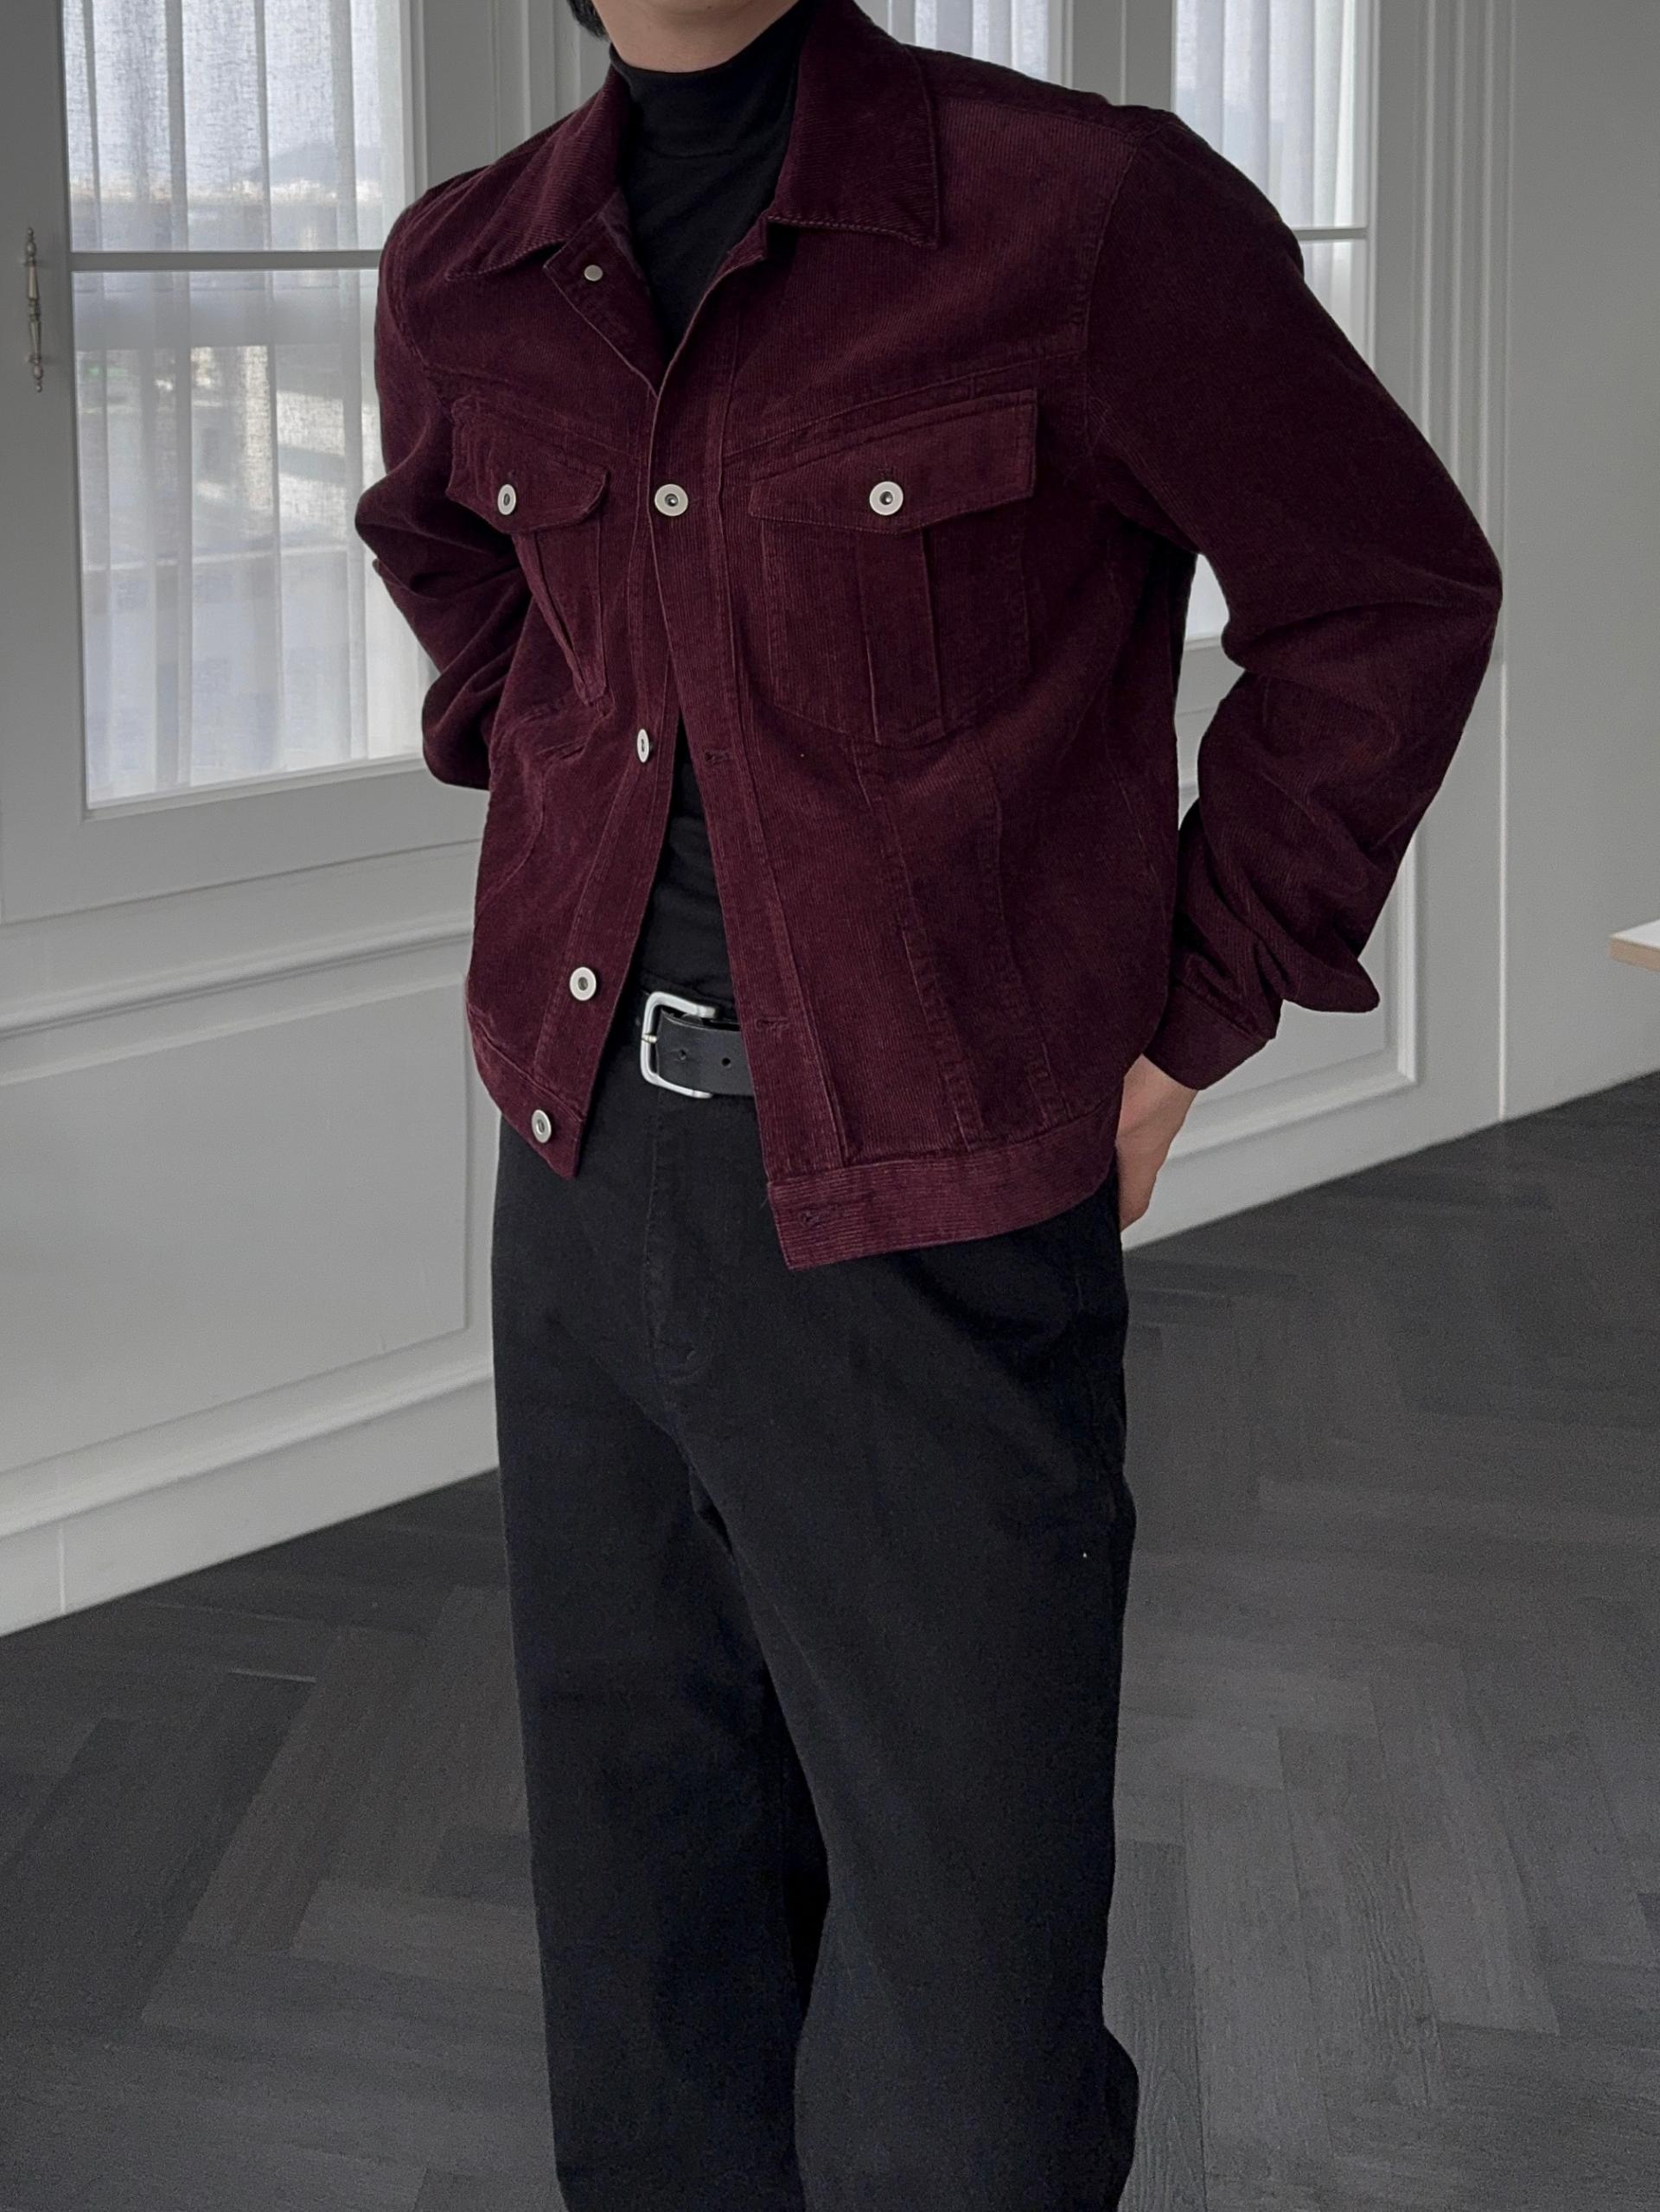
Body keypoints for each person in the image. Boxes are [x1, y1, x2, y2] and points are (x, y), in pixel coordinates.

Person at [353, 1, 1504, 2203]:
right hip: (581, 1176)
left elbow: (1387, 595)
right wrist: (573, 768)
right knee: (648, 1916)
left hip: (932, 1211)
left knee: (966, 2021)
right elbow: (450, 553)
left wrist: (1193, 1011)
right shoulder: (465, 264)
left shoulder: (1083, 216)